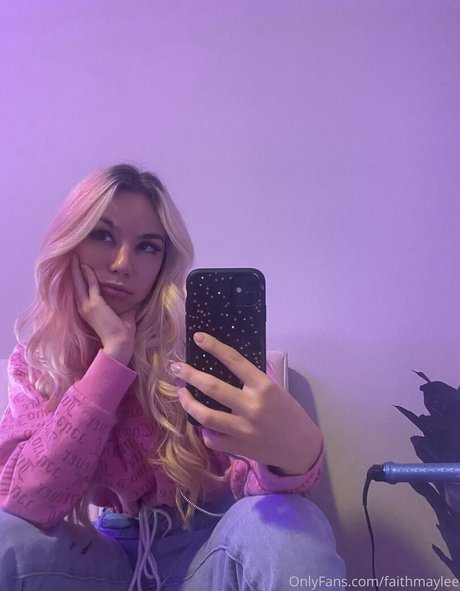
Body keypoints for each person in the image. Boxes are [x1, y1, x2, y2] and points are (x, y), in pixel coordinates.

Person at [0, 164, 345, 590]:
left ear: (165, 260)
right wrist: (112, 358)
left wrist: (294, 459)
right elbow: (24, 503)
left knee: (289, 521)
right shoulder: (38, 362)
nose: (123, 264)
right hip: (104, 561)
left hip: (208, 552)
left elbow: (258, 489)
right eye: (103, 236)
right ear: (71, 241)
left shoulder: (200, 347)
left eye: (147, 247)